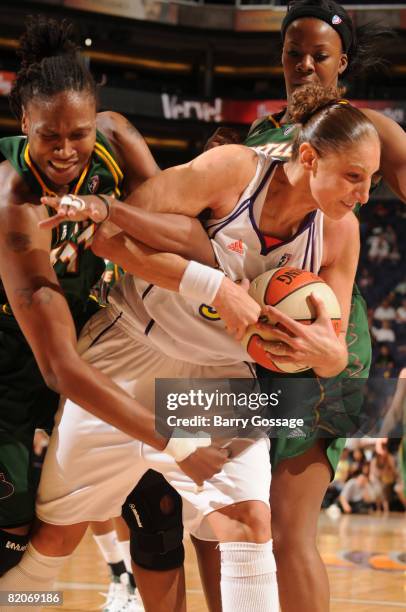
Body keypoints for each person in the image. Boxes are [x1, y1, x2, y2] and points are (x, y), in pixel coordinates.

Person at [1, 83, 381, 612]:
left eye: (372, 180)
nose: (363, 195)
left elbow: (336, 354)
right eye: (354, 177)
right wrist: (217, 287)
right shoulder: (232, 170)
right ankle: (15, 598)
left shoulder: (341, 233)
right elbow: (108, 237)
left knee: (251, 520)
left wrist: (318, 351)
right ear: (311, 158)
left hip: (222, 375)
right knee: (57, 539)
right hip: (133, 349)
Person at [0, 15, 211, 612]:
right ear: (23, 124)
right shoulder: (13, 198)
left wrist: (108, 211)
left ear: (98, 119)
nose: (66, 150)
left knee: (156, 508)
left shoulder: (115, 138)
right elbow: (58, 368)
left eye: (79, 133)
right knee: (17, 543)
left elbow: (186, 232)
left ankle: (124, 587)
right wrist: (177, 444)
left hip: (96, 343)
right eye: (49, 136)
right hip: (19, 362)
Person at [207, 1, 406, 609]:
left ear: (342, 62)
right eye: (294, 53)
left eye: (319, 54)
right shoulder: (262, 135)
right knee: (227, 518)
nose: (304, 65)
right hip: (253, 335)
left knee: (291, 532)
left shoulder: (366, 130)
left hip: (327, 333)